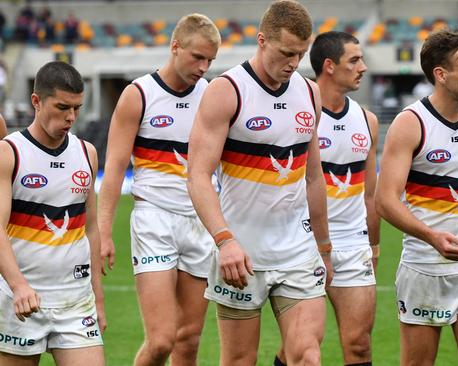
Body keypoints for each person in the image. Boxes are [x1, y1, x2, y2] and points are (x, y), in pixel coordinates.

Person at [187, 1, 331, 365]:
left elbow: (313, 176)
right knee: (239, 359)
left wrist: (324, 246)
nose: (293, 62)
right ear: (262, 40)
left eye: (300, 54)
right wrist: (225, 240)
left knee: (308, 356)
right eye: (286, 52)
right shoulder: (226, 91)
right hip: (241, 255)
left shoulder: (309, 92)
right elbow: (198, 176)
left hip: (297, 251)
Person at [97, 14, 220, 366]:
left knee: (189, 341)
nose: (203, 67)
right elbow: (116, 167)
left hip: (199, 222)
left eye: (210, 60)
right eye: (198, 57)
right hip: (154, 221)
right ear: (175, 46)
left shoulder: (211, 95)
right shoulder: (138, 95)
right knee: (162, 338)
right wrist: (104, 230)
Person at [375, 27, 458, 365]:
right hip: (424, 266)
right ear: (441, 75)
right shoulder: (410, 123)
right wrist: (432, 237)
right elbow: (385, 199)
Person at [275, 31, 380, 366]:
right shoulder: (297, 114)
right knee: (302, 346)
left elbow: (370, 194)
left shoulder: (367, 121)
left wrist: (374, 247)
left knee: (359, 345)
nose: (363, 67)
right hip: (303, 242)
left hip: (352, 243)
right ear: (330, 66)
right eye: (355, 60)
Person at [0, 61, 105, 365]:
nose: (71, 117)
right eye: (62, 107)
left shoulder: (87, 153)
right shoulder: (10, 153)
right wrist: (19, 286)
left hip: (75, 302)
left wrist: (98, 299)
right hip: (20, 299)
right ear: (36, 101)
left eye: (77, 107)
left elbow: (91, 229)